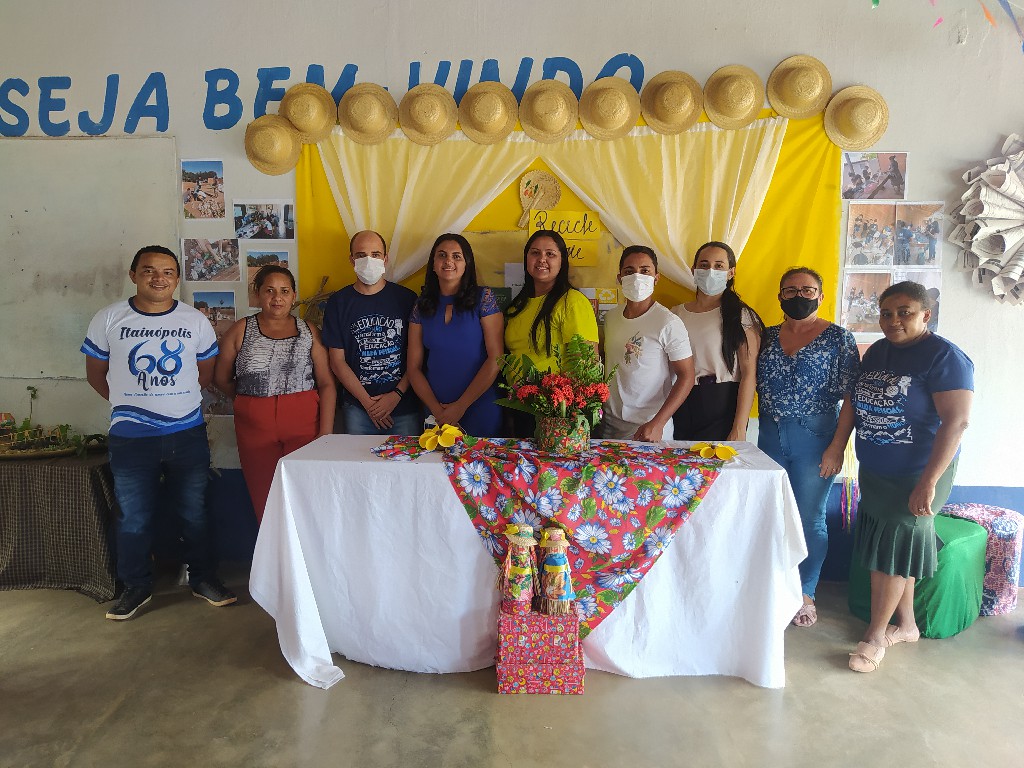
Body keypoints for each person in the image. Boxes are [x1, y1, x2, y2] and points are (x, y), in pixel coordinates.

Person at [82, 245, 236, 621]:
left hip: (186, 433)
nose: (158, 278)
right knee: (133, 517)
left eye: (167, 272)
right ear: (133, 275)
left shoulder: (194, 320)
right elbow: (95, 374)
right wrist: (130, 403)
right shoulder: (108, 318)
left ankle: (203, 578)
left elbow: (204, 373)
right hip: (131, 437)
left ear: (177, 279)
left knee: (195, 512)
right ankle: (135, 586)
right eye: (149, 270)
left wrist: (173, 402)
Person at [847, 281, 973, 673]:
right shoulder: (878, 351)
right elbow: (856, 402)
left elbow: (957, 422)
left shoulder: (945, 357)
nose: (894, 321)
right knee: (894, 546)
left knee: (894, 546)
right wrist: (839, 446)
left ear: (925, 315)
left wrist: (928, 482)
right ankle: (907, 626)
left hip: (919, 472)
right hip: (878, 469)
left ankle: (874, 637)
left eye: (905, 313)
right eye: (886, 313)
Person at [757, 267, 860, 627]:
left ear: (820, 295)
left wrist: (837, 446)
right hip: (769, 436)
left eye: (807, 289)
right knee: (774, 515)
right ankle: (775, 586)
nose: (799, 296)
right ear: (780, 296)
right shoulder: (766, 336)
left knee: (809, 518)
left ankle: (805, 592)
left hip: (816, 438)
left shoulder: (838, 338)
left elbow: (851, 397)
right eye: (791, 290)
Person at [213, 265, 336, 523]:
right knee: (265, 498)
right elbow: (221, 378)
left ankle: (303, 550)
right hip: (255, 427)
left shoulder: (309, 331)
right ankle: (273, 550)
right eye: (269, 291)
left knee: (305, 496)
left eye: (284, 291)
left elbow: (326, 383)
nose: (277, 298)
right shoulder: (241, 329)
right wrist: (249, 402)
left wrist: (325, 433)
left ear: (294, 296)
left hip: (305, 424)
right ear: (257, 294)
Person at [321, 230, 420, 435]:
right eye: (361, 255)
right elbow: (337, 361)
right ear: (351, 260)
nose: (368, 261)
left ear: (385, 259)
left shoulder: (407, 299)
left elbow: (417, 356)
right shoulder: (338, 303)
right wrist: (368, 403)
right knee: (357, 457)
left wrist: (397, 394)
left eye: (375, 255)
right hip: (358, 408)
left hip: (404, 406)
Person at [504, 229, 599, 437]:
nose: (542, 259)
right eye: (535, 253)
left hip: (558, 414)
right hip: (520, 409)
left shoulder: (573, 302)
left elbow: (586, 365)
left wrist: (567, 411)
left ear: (562, 261)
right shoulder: (517, 306)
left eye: (550, 254)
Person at [407, 233, 503, 436]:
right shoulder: (420, 306)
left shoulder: (483, 299)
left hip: (479, 407)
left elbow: (496, 359)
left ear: (467, 264)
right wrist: (437, 410)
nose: (448, 261)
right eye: (442, 255)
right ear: (433, 264)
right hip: (436, 411)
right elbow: (413, 368)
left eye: (457, 256)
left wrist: (460, 406)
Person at [600, 245, 695, 442]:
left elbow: (687, 375)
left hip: (649, 428)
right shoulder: (610, 318)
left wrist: (658, 423)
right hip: (609, 425)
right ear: (620, 278)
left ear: (656, 278)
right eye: (629, 271)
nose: (637, 277)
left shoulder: (668, 322)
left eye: (645, 271)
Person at [671, 241, 763, 441]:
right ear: (694, 270)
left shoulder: (741, 316)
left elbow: (749, 374)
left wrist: (739, 427)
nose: (710, 271)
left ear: (731, 272)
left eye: (718, 266)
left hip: (723, 404)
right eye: (704, 265)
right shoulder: (675, 314)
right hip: (681, 401)